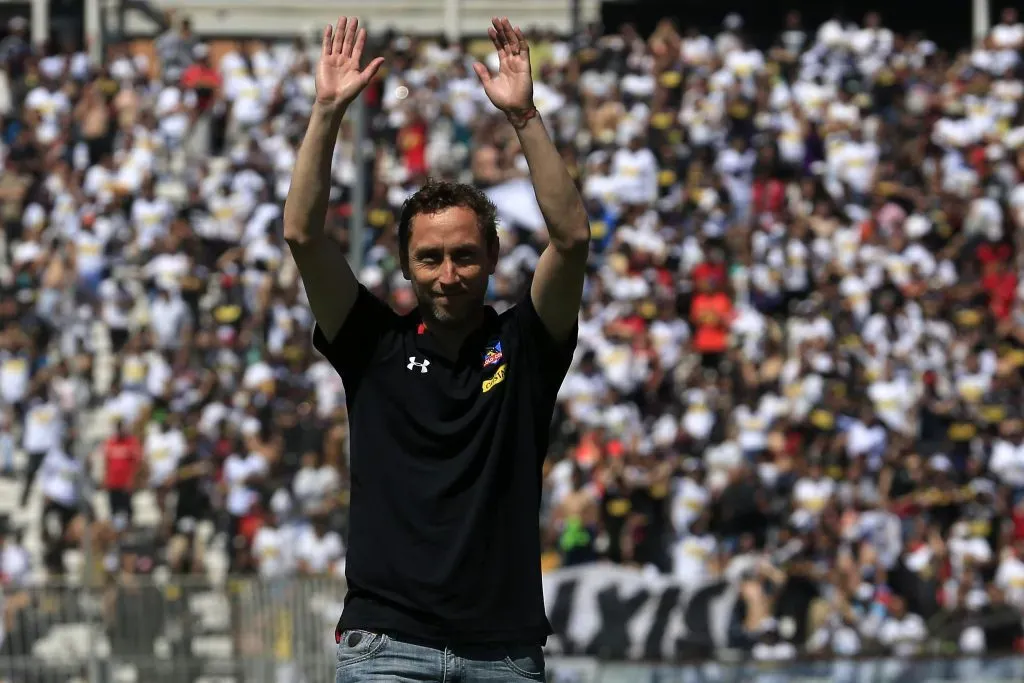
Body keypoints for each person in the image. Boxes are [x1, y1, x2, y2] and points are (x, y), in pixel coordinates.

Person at [283, 15, 590, 682]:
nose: (447, 273)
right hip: (386, 648)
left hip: (502, 652)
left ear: (491, 259)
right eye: (429, 258)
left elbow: (570, 239)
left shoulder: (526, 344)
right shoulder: (372, 345)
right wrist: (327, 112)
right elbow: (303, 235)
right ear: (403, 266)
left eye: (463, 256)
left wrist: (524, 116)